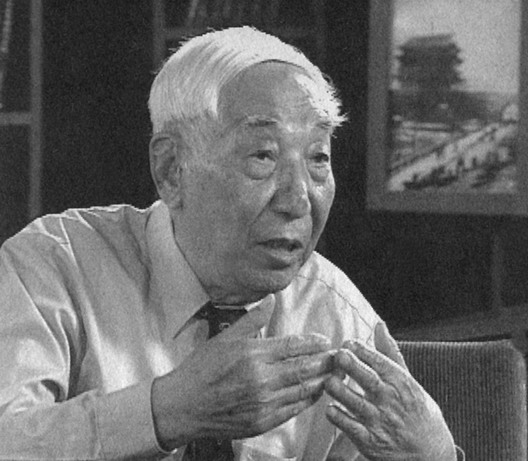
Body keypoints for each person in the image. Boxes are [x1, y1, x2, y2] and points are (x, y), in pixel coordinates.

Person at [0, 27, 457, 460]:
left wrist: (435, 455)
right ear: (171, 170)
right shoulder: (55, 267)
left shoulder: (335, 317)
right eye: (263, 155)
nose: (299, 199)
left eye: (318, 158)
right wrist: (165, 412)